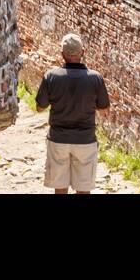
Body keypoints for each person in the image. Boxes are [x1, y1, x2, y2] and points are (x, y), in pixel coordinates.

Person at [34, 33, 110, 195]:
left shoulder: (51, 76)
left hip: (58, 139)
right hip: (85, 140)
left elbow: (40, 108)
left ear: (62, 54)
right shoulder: (95, 78)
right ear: (83, 52)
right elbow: (104, 110)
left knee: (60, 188)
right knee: (83, 189)